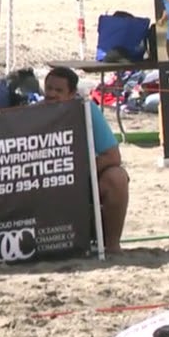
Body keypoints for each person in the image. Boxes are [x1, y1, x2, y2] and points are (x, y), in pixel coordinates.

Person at [42, 67, 129, 255]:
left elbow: (113, 156)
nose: (51, 94)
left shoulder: (87, 111)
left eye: (58, 91)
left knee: (117, 177)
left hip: (81, 177)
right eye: (48, 89)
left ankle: (112, 245)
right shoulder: (32, 113)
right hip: (43, 183)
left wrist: (78, 173)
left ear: (72, 94)